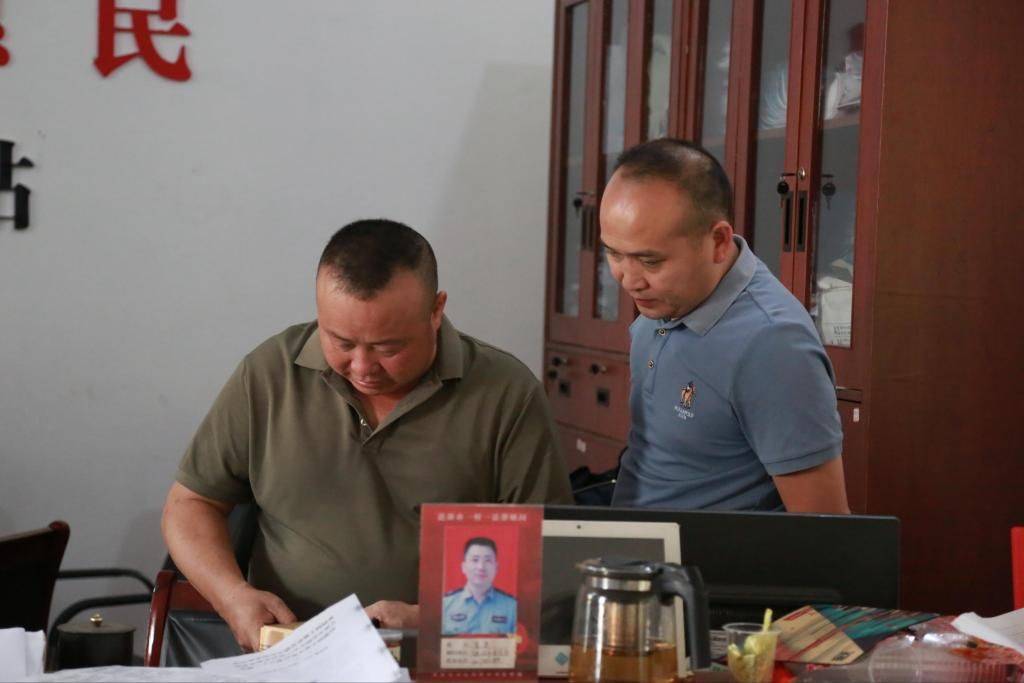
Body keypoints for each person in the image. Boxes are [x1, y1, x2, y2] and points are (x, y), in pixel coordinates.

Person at [162, 219, 572, 651]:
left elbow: (548, 562)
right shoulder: (269, 376)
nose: (362, 367)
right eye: (340, 342)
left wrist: (430, 620)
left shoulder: (506, 395)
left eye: (388, 348)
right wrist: (232, 596)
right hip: (290, 652)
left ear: (436, 310)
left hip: (439, 658)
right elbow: (190, 504)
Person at [598, 138, 849, 513]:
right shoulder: (663, 303)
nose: (628, 280)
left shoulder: (773, 346)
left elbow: (825, 527)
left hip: (702, 553)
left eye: (650, 261)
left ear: (717, 241)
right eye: (614, 253)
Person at [441, 537, 517, 635]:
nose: (481, 567)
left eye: (487, 560)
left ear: (496, 567)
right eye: (475, 560)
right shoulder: (445, 605)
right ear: (464, 567)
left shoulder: (512, 607)